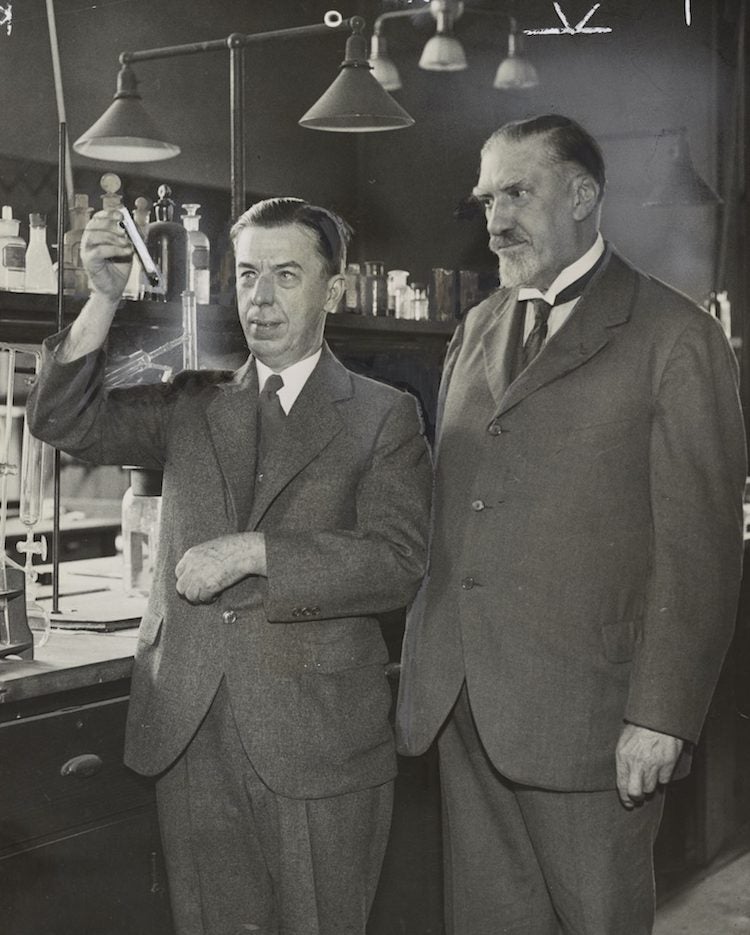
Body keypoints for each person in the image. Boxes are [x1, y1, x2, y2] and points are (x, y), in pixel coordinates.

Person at [27, 197, 432, 935]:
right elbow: (62, 422)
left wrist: (255, 552)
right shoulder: (193, 399)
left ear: (332, 290)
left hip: (318, 744)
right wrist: (104, 296)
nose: (261, 298)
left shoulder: (383, 414)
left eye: (285, 275)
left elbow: (397, 560)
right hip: (192, 732)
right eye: (247, 275)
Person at [396, 114, 746, 935]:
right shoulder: (477, 329)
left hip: (593, 722)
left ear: (584, 195)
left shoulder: (677, 337)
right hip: (464, 703)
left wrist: (661, 713)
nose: (494, 218)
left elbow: (701, 552)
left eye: (517, 192)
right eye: (486, 197)